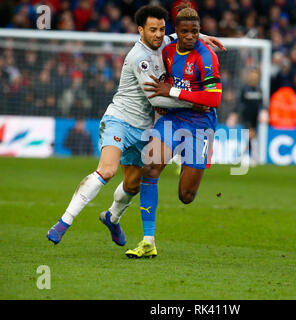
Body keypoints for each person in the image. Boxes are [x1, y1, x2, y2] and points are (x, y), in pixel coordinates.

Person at [47, 5, 225, 246]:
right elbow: (156, 99)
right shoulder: (139, 57)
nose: (158, 34)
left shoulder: (164, 42)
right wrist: (193, 104)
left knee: (134, 183)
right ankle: (63, 223)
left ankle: (112, 217)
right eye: (152, 30)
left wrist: (202, 37)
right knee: (107, 171)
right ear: (141, 30)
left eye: (161, 29)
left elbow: (179, 35)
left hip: (143, 128)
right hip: (120, 120)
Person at [124, 6, 222, 258]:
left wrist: (174, 92)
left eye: (195, 32)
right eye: (185, 31)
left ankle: (190, 169)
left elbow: (214, 98)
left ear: (199, 32)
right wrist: (163, 99)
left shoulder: (207, 57)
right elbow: (159, 84)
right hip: (173, 119)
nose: (190, 36)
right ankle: (148, 240)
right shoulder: (167, 51)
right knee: (150, 167)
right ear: (175, 31)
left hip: (201, 125)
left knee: (186, 196)